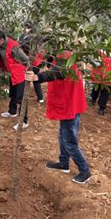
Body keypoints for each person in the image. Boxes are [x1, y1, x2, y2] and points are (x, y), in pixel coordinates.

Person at [25, 52, 91, 184]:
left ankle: (85, 171)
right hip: (69, 103)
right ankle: (64, 163)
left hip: (69, 105)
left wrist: (38, 77)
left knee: (69, 140)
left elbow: (56, 73)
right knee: (62, 135)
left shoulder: (65, 61)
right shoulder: (62, 55)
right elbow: (50, 63)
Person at [0, 30, 30, 130]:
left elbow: (25, 59)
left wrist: (27, 71)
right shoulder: (1, 46)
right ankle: (12, 111)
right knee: (13, 93)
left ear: (1, 40)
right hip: (12, 73)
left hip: (20, 74)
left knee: (21, 97)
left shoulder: (13, 46)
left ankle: (24, 121)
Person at [18, 20, 45, 104]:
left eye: (28, 27)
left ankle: (39, 98)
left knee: (32, 78)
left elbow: (27, 48)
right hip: (34, 61)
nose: (26, 29)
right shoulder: (27, 36)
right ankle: (40, 97)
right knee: (33, 79)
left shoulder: (33, 37)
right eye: (26, 27)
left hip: (34, 61)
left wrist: (22, 45)